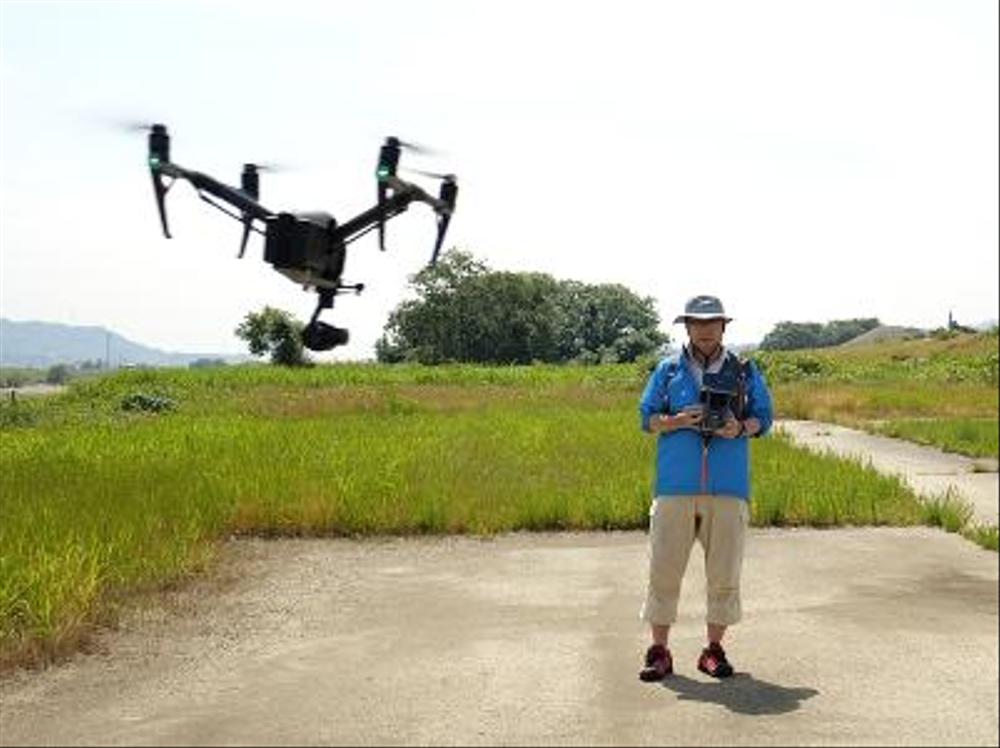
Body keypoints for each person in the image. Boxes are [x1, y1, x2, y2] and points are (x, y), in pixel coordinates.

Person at [636, 294, 773, 681]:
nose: (706, 329)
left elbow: (765, 417)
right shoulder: (667, 370)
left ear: (724, 326)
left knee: (724, 572)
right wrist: (677, 420)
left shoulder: (746, 371)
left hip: (728, 487)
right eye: (697, 322)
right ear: (687, 327)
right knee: (663, 569)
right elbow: (646, 419)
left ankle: (713, 650)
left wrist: (739, 427)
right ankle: (659, 650)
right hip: (675, 485)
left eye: (713, 322)